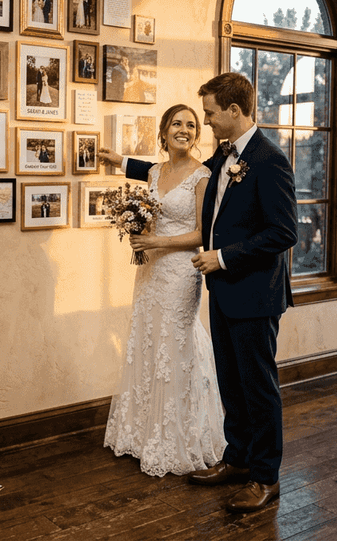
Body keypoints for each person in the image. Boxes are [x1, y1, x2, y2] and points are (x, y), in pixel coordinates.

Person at [106, 73, 298, 511]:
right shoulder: (224, 155)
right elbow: (178, 173)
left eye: (209, 113)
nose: (206, 121)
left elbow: (284, 231)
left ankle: (266, 478)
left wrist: (224, 256)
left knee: (259, 387)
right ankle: (237, 459)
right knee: (232, 384)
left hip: (253, 292)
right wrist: (121, 162)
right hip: (224, 289)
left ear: (234, 111)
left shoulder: (269, 159)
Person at [96, 103, 227, 478]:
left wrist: (156, 243)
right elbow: (147, 208)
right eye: (176, 124)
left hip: (180, 273)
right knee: (148, 342)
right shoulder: (154, 171)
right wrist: (140, 236)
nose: (183, 130)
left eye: (191, 124)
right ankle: (142, 432)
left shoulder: (203, 176)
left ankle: (177, 436)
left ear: (197, 134)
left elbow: (204, 234)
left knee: (175, 344)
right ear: (164, 132)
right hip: (150, 273)